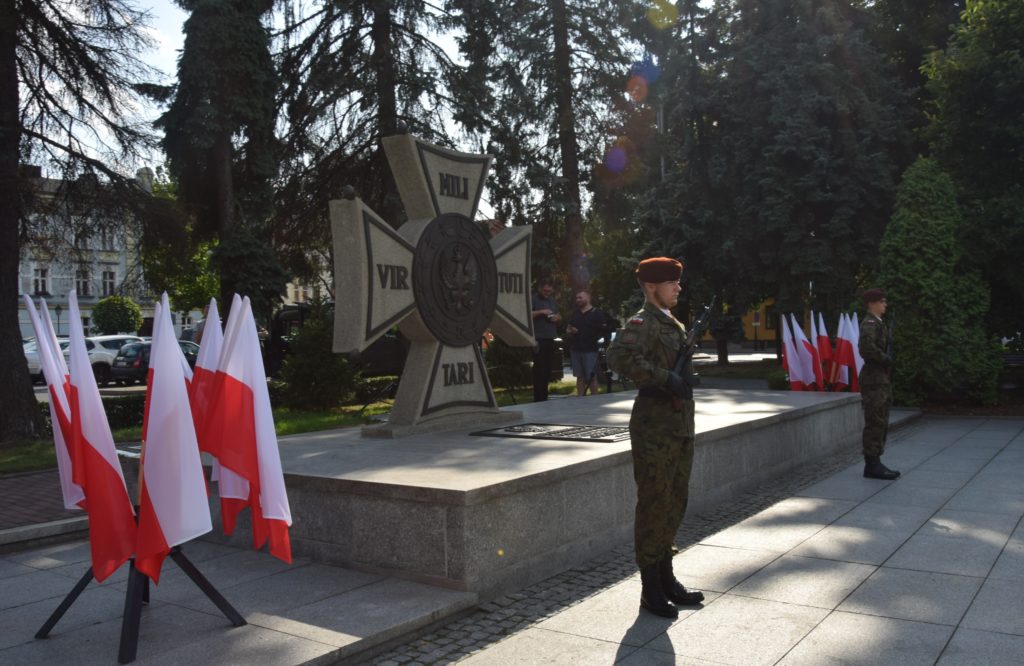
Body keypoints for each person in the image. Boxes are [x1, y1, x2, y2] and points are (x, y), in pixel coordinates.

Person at [606, 257, 704, 619]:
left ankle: (666, 578)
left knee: (674, 500)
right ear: (651, 286)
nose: (678, 287)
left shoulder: (671, 322)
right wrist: (665, 378)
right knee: (653, 503)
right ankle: (650, 589)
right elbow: (617, 356)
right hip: (654, 426)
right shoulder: (641, 322)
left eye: (678, 282)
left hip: (678, 424)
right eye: (671, 282)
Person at [859, 289, 900, 480]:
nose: (885, 305)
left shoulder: (879, 324)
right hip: (874, 379)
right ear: (872, 303)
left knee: (881, 420)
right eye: (882, 301)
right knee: (875, 421)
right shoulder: (869, 323)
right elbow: (866, 348)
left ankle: (876, 461)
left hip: (881, 379)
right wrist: (885, 358)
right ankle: (872, 465)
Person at [566, 289, 610, 396]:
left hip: (590, 349)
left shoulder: (597, 313)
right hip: (576, 349)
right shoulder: (575, 313)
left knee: (591, 376)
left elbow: (604, 330)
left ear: (588, 298)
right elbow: (568, 328)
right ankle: (581, 400)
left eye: (580, 297)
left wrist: (604, 344)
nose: (578, 300)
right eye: (577, 298)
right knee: (579, 377)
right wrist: (570, 331)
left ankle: (595, 399)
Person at [531, 277, 561, 402]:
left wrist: (557, 318)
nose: (547, 293)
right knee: (539, 368)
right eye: (545, 290)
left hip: (550, 337)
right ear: (539, 289)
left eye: (549, 291)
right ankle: (538, 398)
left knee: (548, 369)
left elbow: (559, 315)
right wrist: (542, 312)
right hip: (538, 338)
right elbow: (528, 314)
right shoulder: (533, 299)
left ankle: (545, 396)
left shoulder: (552, 301)